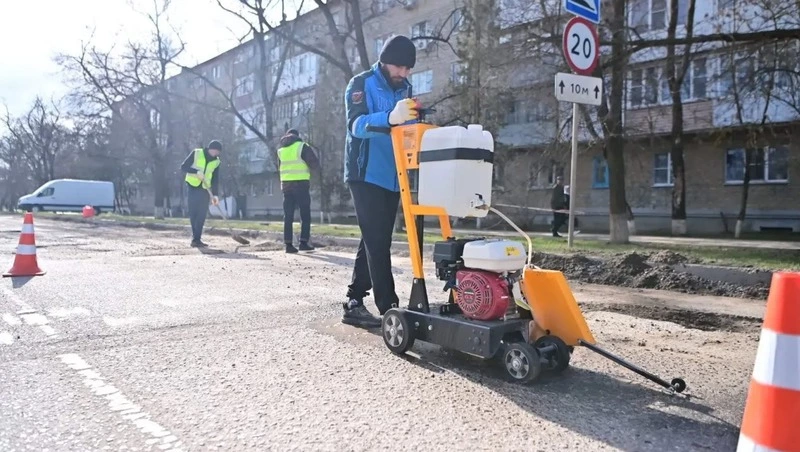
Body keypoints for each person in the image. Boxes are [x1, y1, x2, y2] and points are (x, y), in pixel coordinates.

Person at [341, 35, 420, 328]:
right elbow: (356, 126)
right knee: (377, 241)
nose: (404, 73)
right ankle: (391, 309)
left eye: (408, 69)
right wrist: (390, 117)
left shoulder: (406, 89)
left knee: (374, 238)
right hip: (364, 173)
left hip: (393, 174)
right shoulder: (360, 84)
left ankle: (353, 301)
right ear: (385, 61)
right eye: (400, 66)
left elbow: (407, 129)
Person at [277, 128, 320, 253]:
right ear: (297, 136)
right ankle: (303, 242)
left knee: (288, 216)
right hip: (301, 185)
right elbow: (314, 164)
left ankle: (288, 245)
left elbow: (280, 168)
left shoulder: (280, 151)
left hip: (286, 186)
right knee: (305, 214)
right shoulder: (302, 146)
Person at [181, 140, 222, 247]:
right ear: (211, 149)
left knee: (202, 214)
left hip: (205, 189)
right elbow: (183, 167)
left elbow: (215, 179)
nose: (217, 154)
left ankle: (197, 239)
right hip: (192, 186)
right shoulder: (197, 153)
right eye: (216, 151)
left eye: (218, 152)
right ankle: (195, 239)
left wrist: (215, 195)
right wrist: (196, 172)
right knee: (193, 213)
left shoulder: (216, 161)